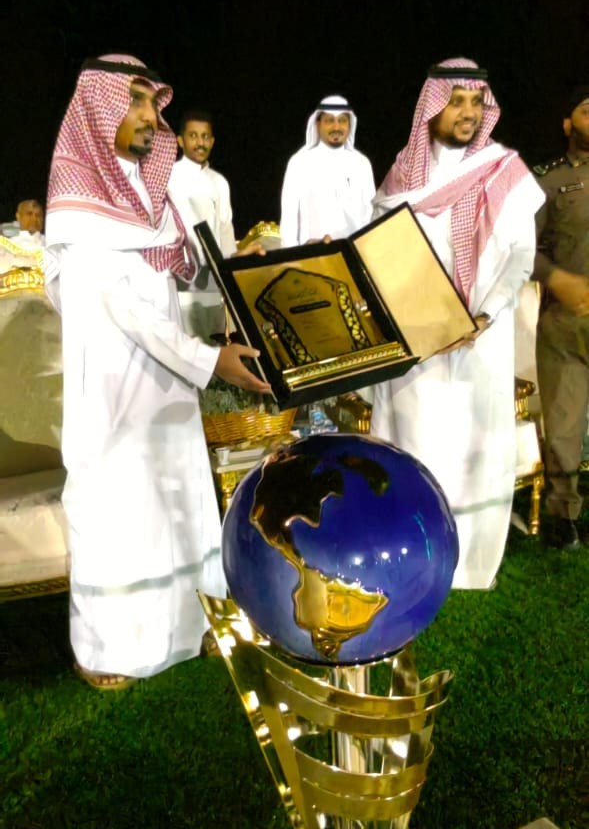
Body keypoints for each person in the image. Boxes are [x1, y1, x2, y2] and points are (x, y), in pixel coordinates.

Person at [44, 53, 269, 688]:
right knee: (120, 507)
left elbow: (178, 273)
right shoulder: (79, 200)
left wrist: (239, 265)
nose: (149, 116)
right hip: (114, 389)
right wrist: (210, 359)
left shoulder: (151, 191)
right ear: (98, 111)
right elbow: (124, 307)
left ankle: (193, 623)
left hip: (166, 384)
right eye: (135, 101)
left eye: (152, 102)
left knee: (179, 496)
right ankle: (109, 648)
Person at [370, 57, 545, 589]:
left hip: (478, 341)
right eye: (456, 101)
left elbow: (521, 256)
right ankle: (412, 551)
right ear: (432, 107)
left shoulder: (503, 170)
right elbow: (379, 249)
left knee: (474, 448)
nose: (468, 112)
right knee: (413, 440)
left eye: (476, 102)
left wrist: (485, 314)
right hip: (416, 342)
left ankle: (467, 562)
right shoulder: (402, 175)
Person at [532, 84, 589, 550]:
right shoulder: (547, 181)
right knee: (564, 422)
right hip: (566, 320)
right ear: (568, 123)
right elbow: (521, 248)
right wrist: (558, 279)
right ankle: (562, 514)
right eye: (587, 110)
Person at [167, 109, 237, 339]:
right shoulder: (168, 177)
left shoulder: (220, 182)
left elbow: (225, 230)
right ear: (180, 141)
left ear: (212, 141)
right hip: (180, 277)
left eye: (205, 137)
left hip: (213, 279)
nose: (200, 143)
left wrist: (230, 268)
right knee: (185, 342)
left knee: (215, 344)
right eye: (193, 136)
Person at [279, 94, 376, 246]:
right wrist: (293, 256)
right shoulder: (299, 163)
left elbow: (370, 217)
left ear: (350, 124)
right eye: (330, 121)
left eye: (342, 121)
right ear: (318, 124)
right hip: (312, 254)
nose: (336, 127)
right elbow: (288, 222)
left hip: (352, 253)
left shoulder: (362, 164)